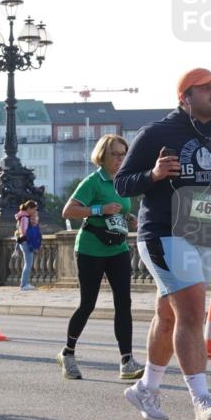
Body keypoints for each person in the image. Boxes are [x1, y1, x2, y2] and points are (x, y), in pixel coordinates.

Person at [114, 68, 211, 420]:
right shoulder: (156, 133)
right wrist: (152, 175)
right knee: (191, 310)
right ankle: (202, 400)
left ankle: (146, 388)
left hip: (206, 233)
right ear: (184, 97)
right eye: (206, 88)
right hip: (164, 233)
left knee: (168, 315)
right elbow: (122, 184)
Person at [57, 135, 145, 381]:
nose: (120, 159)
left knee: (123, 303)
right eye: (115, 154)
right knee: (88, 304)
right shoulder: (93, 182)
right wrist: (99, 209)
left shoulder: (122, 182)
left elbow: (120, 209)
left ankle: (127, 360)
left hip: (117, 249)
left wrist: (130, 218)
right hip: (90, 249)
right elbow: (68, 211)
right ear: (103, 156)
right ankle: (68, 353)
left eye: (123, 154)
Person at [15, 200, 42, 291]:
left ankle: (25, 283)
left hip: (24, 242)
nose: (34, 211)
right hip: (26, 242)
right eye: (34, 209)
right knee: (28, 264)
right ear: (29, 208)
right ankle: (24, 284)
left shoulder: (23, 216)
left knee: (28, 263)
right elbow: (24, 231)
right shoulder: (25, 218)